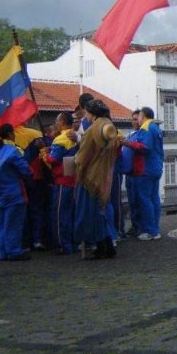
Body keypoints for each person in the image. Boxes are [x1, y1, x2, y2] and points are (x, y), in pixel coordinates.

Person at [73, 100, 119, 259]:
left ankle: (100, 247)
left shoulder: (92, 130)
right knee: (102, 211)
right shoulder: (109, 126)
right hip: (105, 175)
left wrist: (76, 163)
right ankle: (108, 245)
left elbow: (82, 156)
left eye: (87, 113)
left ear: (92, 113)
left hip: (90, 177)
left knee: (91, 213)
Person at [0, 124, 32, 261]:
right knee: (13, 223)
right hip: (14, 192)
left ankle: (1, 251)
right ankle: (13, 251)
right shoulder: (13, 150)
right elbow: (26, 170)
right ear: (10, 134)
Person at [122, 106, 163, 241]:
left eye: (138, 116)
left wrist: (128, 143)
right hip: (155, 167)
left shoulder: (146, 127)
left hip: (146, 168)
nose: (137, 119)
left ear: (143, 116)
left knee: (145, 199)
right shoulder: (156, 128)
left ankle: (150, 230)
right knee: (153, 199)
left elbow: (145, 147)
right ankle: (154, 228)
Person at [42, 112, 78, 255]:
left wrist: (45, 154)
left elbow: (54, 160)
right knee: (71, 213)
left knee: (59, 214)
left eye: (57, 121)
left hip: (62, 180)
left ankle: (63, 245)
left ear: (62, 122)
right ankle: (73, 243)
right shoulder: (76, 136)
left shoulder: (61, 139)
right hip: (74, 178)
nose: (56, 124)